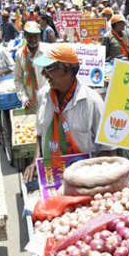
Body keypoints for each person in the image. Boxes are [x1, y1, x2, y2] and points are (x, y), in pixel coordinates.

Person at [22, 45, 112, 183]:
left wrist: (94, 177)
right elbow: (40, 134)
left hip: (85, 177)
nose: (44, 74)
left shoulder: (92, 102)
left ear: (66, 69)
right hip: (52, 174)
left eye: (49, 68)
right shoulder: (43, 96)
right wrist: (35, 161)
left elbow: (108, 149)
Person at [14, 21, 45, 110]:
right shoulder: (20, 54)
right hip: (30, 104)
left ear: (39, 36)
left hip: (47, 101)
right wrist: (24, 98)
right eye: (30, 36)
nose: (33, 39)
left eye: (35, 36)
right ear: (25, 36)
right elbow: (18, 79)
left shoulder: (46, 53)